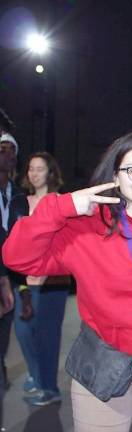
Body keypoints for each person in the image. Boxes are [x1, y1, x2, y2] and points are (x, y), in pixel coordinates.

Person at [3, 131, 132, 432]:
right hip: (102, 363)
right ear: (115, 174)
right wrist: (60, 207)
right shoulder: (87, 227)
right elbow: (17, 258)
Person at [15, 152, 71, 406]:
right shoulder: (22, 203)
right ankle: (37, 376)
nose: (34, 173)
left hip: (53, 283)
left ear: (51, 173)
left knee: (48, 336)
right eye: (31, 169)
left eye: (40, 169)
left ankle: (49, 388)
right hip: (24, 282)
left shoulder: (60, 202)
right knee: (24, 331)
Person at [0, 127, 30, 394]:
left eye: (12, 151)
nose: (8, 156)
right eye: (2, 150)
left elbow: (22, 247)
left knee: (3, 340)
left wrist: (24, 289)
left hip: (9, 281)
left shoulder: (19, 197)